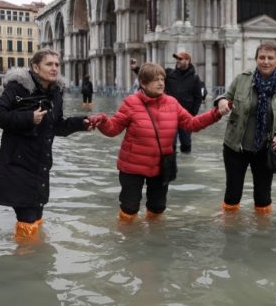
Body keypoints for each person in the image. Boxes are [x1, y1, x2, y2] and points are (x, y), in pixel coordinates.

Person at [89, 63, 222, 223]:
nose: (161, 83)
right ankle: (127, 241)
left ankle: (154, 241)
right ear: (143, 83)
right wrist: (103, 120)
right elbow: (113, 129)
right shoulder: (131, 103)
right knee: (129, 208)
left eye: (162, 79)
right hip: (132, 167)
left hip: (161, 166)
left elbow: (192, 124)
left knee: (157, 208)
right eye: (155, 80)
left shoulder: (172, 103)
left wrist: (216, 113)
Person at [0, 49, 95, 242]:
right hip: (17, 166)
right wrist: (28, 117)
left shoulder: (56, 92)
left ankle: (35, 263)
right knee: (28, 220)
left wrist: (81, 123)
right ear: (36, 67)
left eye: (57, 64)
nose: (54, 68)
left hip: (40, 166)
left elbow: (56, 125)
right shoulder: (17, 88)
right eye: (49, 64)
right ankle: (27, 263)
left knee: (36, 218)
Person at [213, 41, 276, 215]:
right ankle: (231, 232)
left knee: (263, 197)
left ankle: (262, 235)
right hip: (236, 146)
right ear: (256, 59)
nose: (266, 61)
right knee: (233, 194)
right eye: (262, 57)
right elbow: (226, 97)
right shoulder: (242, 79)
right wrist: (221, 101)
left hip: (265, 148)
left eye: (270, 58)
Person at [131, 50, 205, 154]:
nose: (177, 61)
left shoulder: (195, 78)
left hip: (186, 116)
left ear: (187, 61)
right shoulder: (169, 73)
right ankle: (170, 166)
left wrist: (192, 114)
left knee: (186, 144)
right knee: (170, 144)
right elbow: (151, 75)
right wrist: (136, 68)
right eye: (176, 59)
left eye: (180, 59)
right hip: (169, 115)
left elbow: (198, 98)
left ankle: (186, 164)